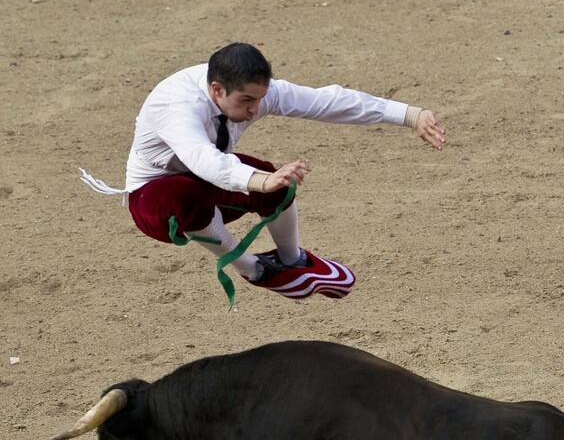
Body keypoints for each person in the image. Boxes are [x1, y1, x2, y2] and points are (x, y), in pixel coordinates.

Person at [81, 42, 446, 301]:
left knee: (277, 181)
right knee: (196, 191)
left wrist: (409, 114)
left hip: (208, 183)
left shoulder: (250, 90)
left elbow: (325, 100)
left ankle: (293, 261)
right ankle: (254, 269)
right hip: (154, 201)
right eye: (247, 101)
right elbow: (202, 160)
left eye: (260, 98)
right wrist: (257, 180)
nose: (256, 109)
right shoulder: (177, 105)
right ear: (216, 89)